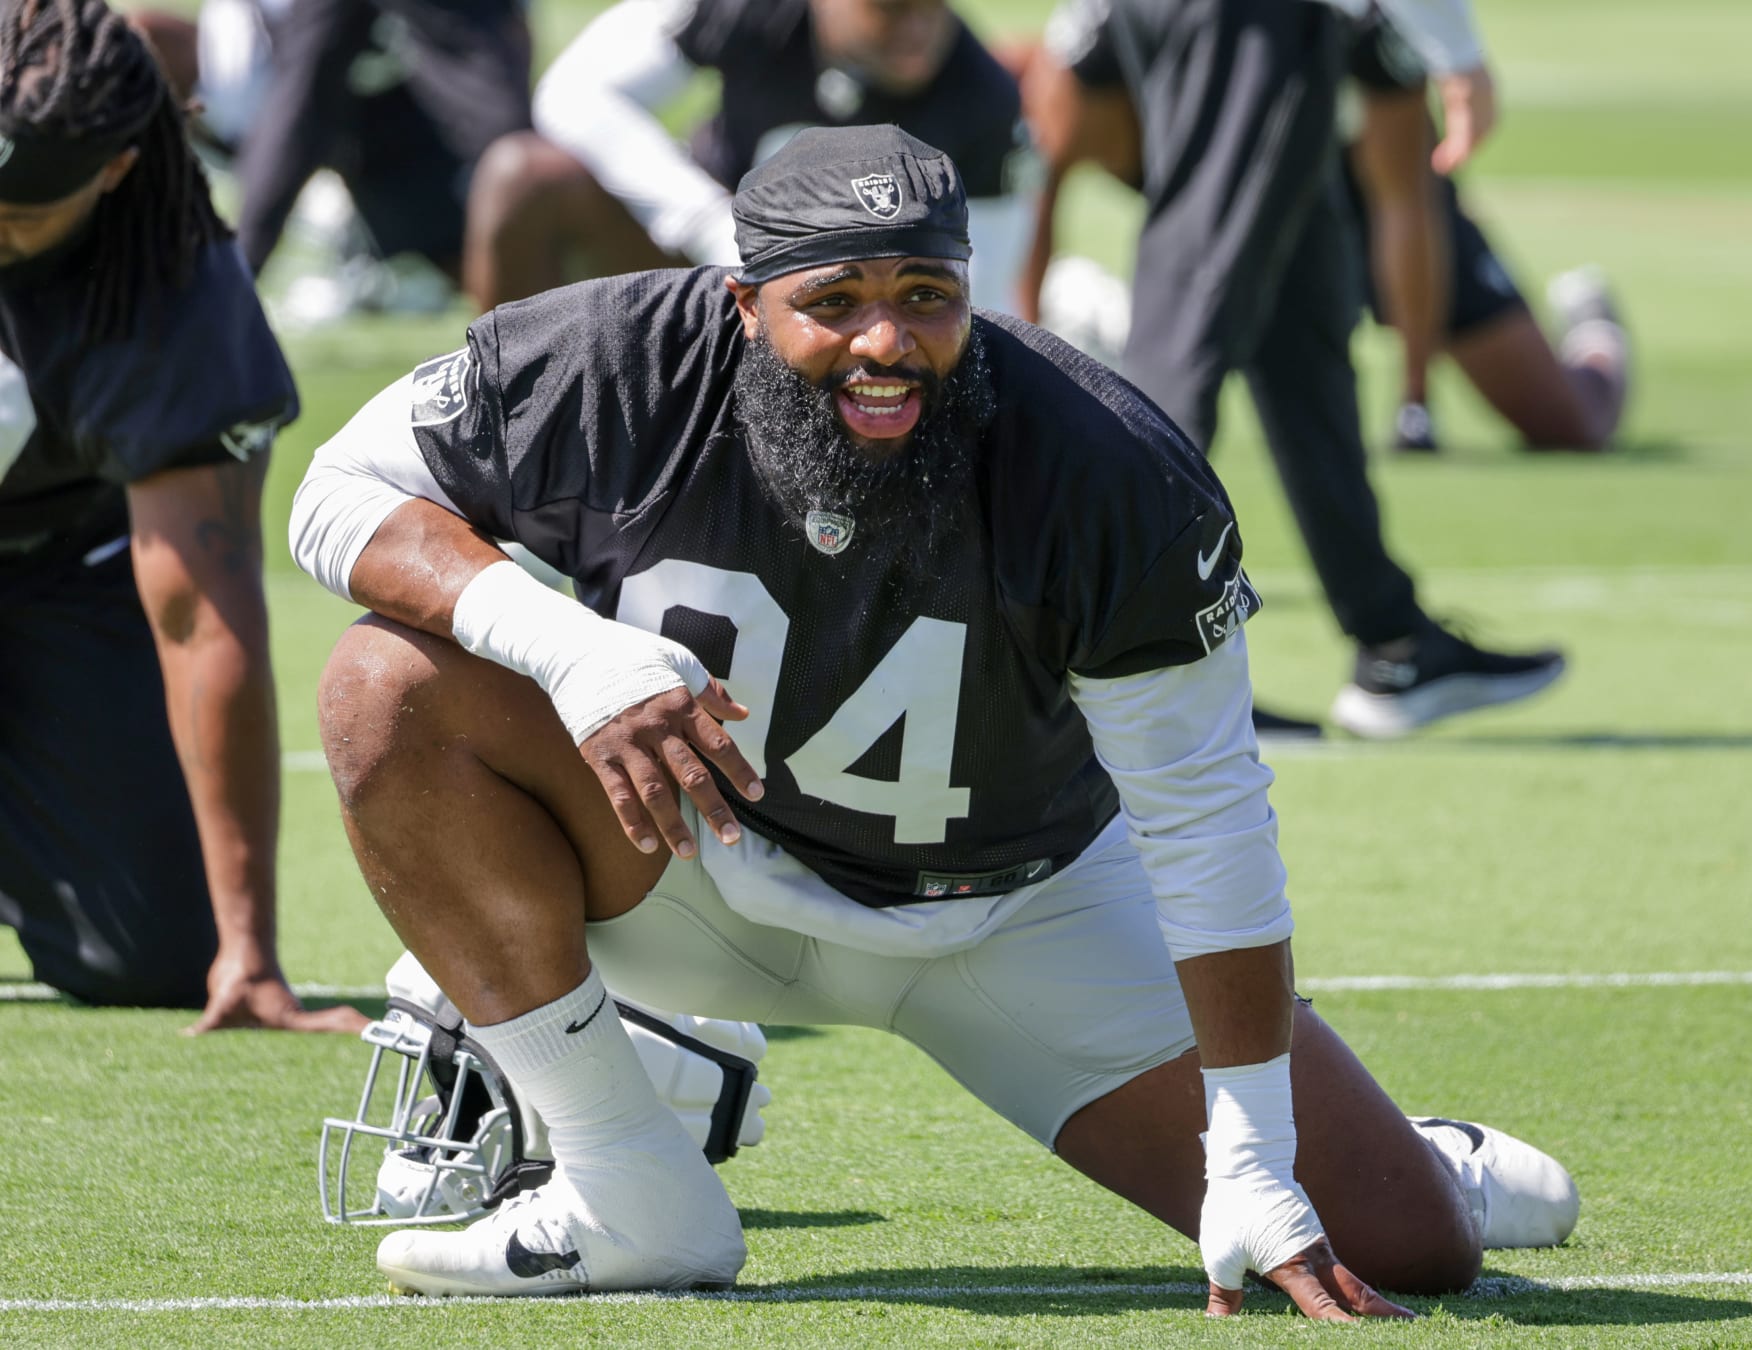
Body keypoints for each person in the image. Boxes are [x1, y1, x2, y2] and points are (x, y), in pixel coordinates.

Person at [290, 125, 1577, 1311]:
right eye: (833, 303)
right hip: (700, 864)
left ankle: (1424, 1159)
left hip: (1017, 911)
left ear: (973, 289)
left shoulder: (1104, 465)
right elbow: (336, 491)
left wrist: (1249, 1150)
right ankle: (626, 1176)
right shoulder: (614, 360)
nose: (884, 344)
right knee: (384, 688)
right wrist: (570, 650)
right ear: (743, 306)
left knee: (1409, 1250)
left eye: (924, 296)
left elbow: (1206, 823)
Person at [1027, 0, 1566, 739]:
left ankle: (1393, 644)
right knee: (1191, 324)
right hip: (1247, 18)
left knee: (1301, 325)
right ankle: (1104, 663)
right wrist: (1458, 51)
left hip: (1242, 22)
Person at [0, 0, 358, 1030]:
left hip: (59, 568)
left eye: (18, 214)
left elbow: (201, 615)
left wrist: (249, 949)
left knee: (152, 954)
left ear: (112, 172)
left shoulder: (171, 289)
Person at [462, 0, 1034, 314]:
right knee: (523, 177)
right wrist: (707, 221)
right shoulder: (751, 11)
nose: (916, 26)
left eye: (930, 6)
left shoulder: (978, 90)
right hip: (707, 272)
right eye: (888, 7)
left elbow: (980, 294)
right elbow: (575, 91)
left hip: (852, 317)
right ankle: (510, 431)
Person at [1340, 9, 1630, 453]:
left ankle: (1593, 331)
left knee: (1569, 425)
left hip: (1376, 190)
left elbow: (1405, 200)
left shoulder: (1369, 25)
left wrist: (1415, 404)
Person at [138, 0, 533, 296]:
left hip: (374, 96)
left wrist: (239, 269)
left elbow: (298, 113)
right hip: (373, 120)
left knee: (508, 146)